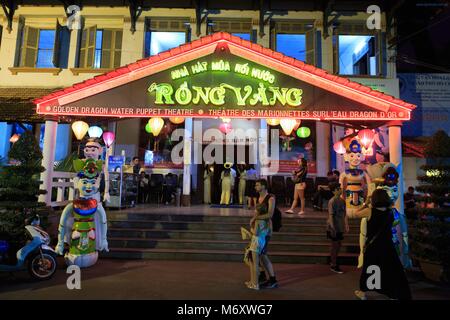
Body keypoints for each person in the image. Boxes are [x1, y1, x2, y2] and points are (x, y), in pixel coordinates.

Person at [354, 189, 412, 300]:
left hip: (373, 246)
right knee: (389, 269)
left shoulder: (370, 211)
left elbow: (356, 214)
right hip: (387, 245)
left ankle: (363, 292)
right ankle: (392, 293)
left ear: (374, 199)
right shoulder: (391, 212)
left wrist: (366, 203)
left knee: (369, 267)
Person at [245, 179, 278, 290]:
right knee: (262, 255)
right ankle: (268, 278)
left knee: (261, 255)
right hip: (259, 229)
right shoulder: (259, 198)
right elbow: (257, 212)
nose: (255, 187)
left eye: (257, 185)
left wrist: (256, 218)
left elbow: (270, 214)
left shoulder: (271, 198)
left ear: (263, 186)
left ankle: (269, 279)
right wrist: (253, 221)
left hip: (265, 230)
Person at [326, 183, 349, 274]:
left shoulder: (342, 200)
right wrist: (333, 228)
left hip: (340, 226)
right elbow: (331, 215)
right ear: (334, 191)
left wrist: (346, 224)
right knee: (334, 246)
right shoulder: (332, 201)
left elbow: (344, 214)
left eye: (340, 188)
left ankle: (334, 262)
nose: (340, 189)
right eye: (338, 188)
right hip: (334, 226)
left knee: (338, 245)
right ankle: (333, 264)